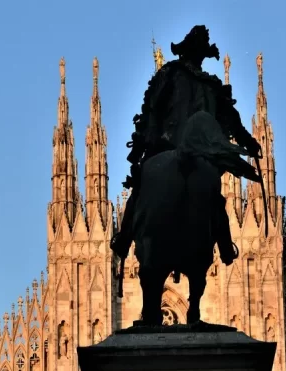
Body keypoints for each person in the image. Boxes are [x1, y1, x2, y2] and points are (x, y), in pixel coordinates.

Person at [111, 25, 262, 274]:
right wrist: (250, 143)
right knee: (215, 199)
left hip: (165, 145)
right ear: (201, 54)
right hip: (199, 153)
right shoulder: (211, 85)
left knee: (140, 189)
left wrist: (140, 145)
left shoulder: (170, 73)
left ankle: (124, 238)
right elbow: (233, 122)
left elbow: (151, 109)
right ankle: (225, 246)